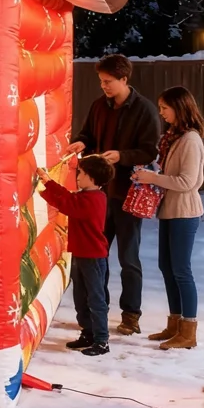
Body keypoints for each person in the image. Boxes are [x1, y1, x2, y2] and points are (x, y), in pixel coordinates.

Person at [66, 54, 160, 335]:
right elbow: (88, 134)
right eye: (101, 81)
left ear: (124, 79)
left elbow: (150, 151)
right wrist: (81, 142)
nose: (104, 86)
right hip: (97, 196)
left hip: (127, 194)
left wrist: (122, 156)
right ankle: (98, 311)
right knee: (96, 256)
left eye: (108, 81)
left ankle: (131, 314)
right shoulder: (98, 106)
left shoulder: (144, 110)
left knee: (128, 258)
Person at [132, 86, 204, 351]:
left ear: (180, 107)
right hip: (170, 211)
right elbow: (168, 172)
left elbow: (188, 181)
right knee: (167, 267)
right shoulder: (174, 137)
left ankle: (189, 330)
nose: (161, 113)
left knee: (182, 271)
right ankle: (175, 324)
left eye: (165, 107)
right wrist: (148, 173)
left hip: (184, 212)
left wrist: (153, 178)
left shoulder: (191, 140)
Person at [36, 155, 115, 356]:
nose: (77, 176)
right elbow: (69, 197)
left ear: (92, 177)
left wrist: (44, 189)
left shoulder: (95, 199)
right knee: (81, 296)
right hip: (81, 255)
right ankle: (88, 332)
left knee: (95, 298)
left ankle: (101, 340)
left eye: (81, 173)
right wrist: (48, 182)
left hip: (93, 257)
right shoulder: (85, 196)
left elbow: (68, 204)